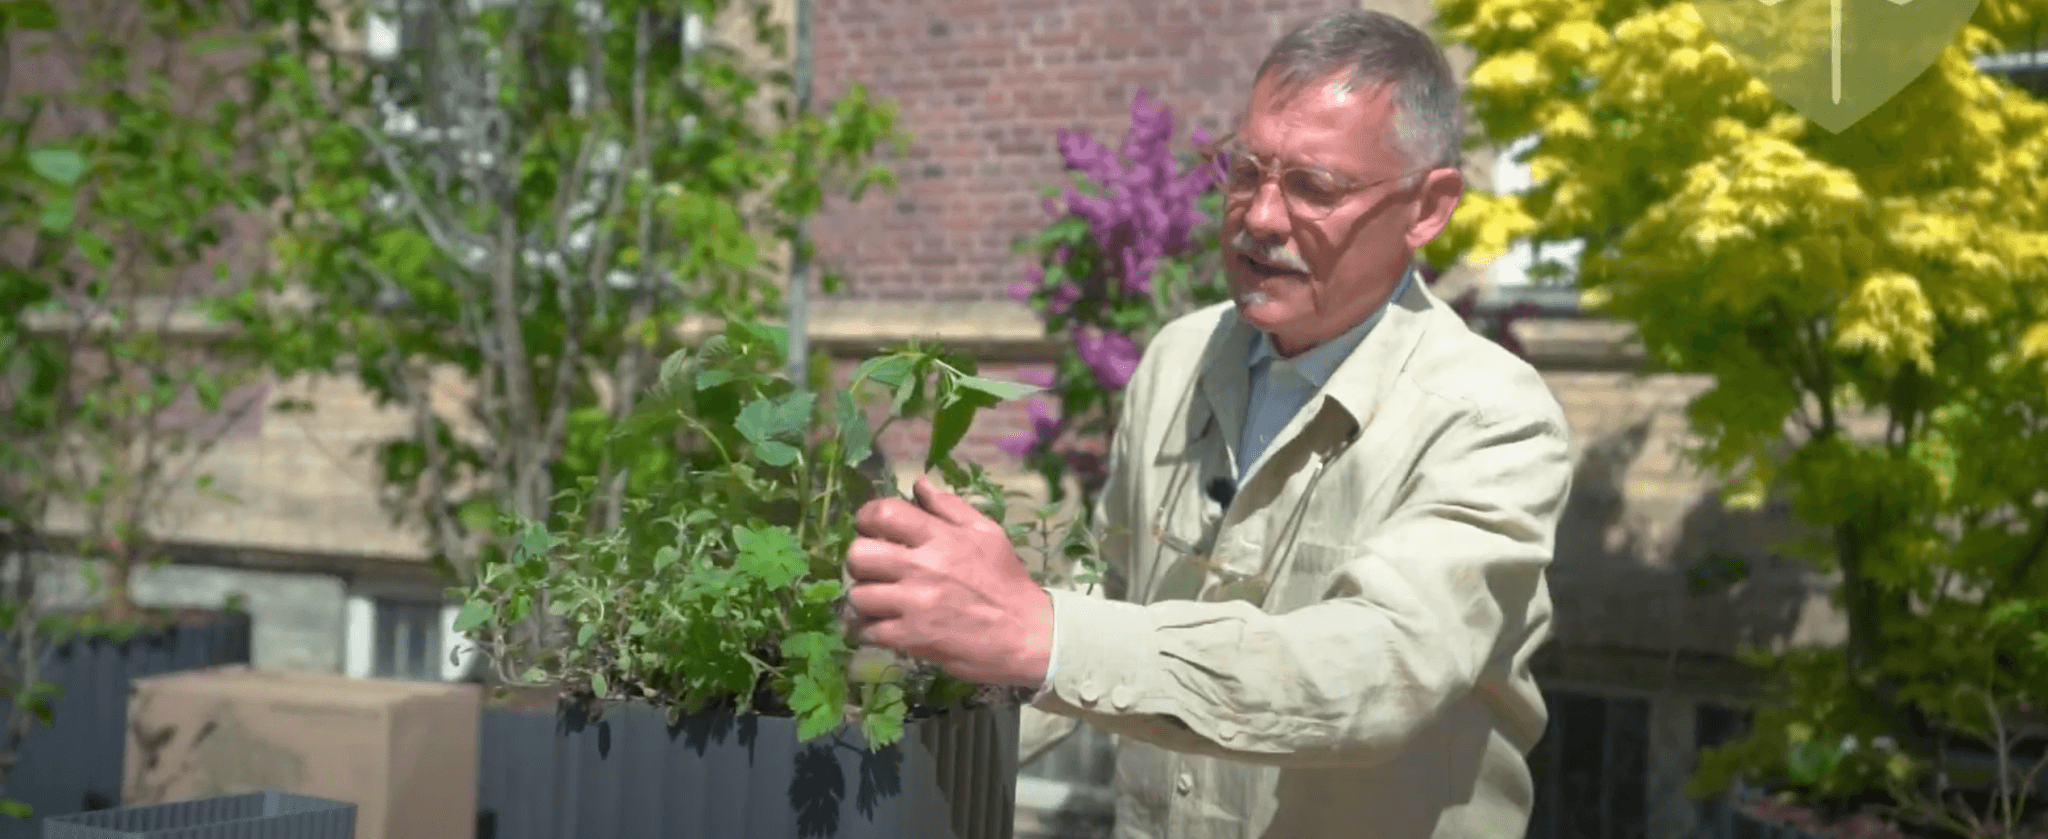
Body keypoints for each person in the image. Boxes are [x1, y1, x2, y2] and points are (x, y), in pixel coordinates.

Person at [844, 9, 1574, 838]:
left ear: (1429, 208)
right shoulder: (1179, 359)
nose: (1261, 216)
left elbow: (1378, 670)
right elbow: (1110, 600)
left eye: (1314, 186)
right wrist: (905, 684)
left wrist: (1043, 634)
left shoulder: (1491, 415)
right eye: (1245, 170)